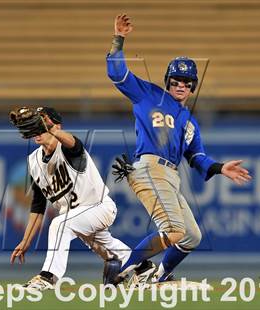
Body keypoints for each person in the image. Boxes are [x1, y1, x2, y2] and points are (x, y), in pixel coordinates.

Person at [106, 14, 252, 286]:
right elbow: (117, 74)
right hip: (149, 167)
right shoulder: (148, 94)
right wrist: (119, 39)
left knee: (191, 236)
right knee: (173, 230)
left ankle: (158, 277)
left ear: (193, 86)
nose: (181, 85)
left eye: (186, 82)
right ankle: (119, 271)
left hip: (170, 177)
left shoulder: (189, 121)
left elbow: (197, 157)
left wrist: (220, 168)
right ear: (167, 82)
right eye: (176, 80)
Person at [9, 106, 130, 290]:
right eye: (36, 123)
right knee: (110, 250)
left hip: (99, 207)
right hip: (78, 218)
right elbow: (38, 206)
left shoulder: (68, 149)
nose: (37, 127)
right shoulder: (34, 161)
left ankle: (48, 276)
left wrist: (50, 128)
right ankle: (143, 267)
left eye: (43, 121)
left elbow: (73, 142)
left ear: (57, 126)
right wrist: (26, 241)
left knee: (60, 224)